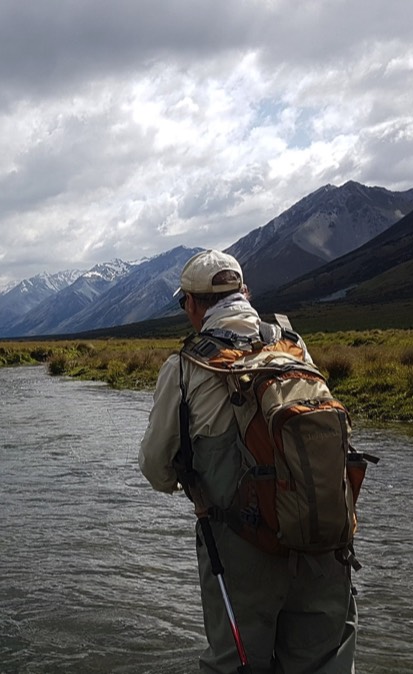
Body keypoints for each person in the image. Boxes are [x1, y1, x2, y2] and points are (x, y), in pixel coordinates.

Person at [139, 249, 357, 674]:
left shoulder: (184, 367)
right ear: (244, 293)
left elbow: (154, 465)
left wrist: (186, 484)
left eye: (185, 303)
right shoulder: (294, 345)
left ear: (193, 304)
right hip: (325, 536)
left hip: (242, 549)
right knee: (324, 662)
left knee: (236, 664)